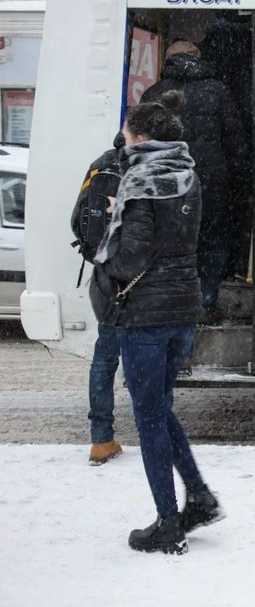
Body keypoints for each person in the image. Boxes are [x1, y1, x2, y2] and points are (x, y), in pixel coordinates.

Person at [91, 91, 223, 554]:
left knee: (148, 416)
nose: (123, 138)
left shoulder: (141, 179)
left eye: (128, 132)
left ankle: (169, 523)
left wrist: (106, 256)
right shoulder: (187, 175)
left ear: (142, 136)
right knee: (160, 408)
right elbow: (178, 237)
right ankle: (200, 497)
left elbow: (132, 257)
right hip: (183, 305)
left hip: (146, 312)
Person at [142, 40, 246, 320]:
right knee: (213, 240)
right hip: (210, 185)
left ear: (168, 60)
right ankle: (205, 302)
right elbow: (235, 142)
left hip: (166, 186)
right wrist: (238, 180)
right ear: (198, 57)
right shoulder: (218, 91)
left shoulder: (154, 93)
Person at [71, 131, 126, 466]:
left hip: (106, 276)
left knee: (105, 359)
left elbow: (78, 219)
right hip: (139, 279)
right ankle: (157, 431)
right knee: (150, 357)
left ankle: (101, 440)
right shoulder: (151, 169)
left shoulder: (101, 164)